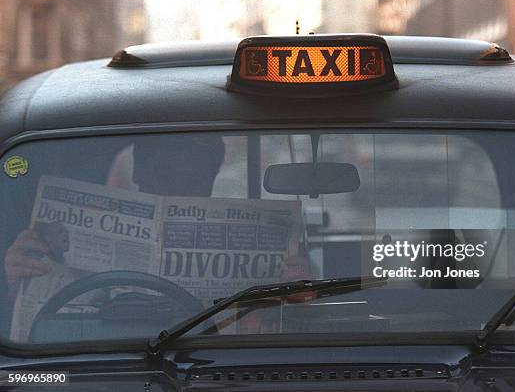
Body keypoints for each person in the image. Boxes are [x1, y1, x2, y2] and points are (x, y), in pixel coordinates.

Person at [4, 134, 312, 336]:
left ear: (212, 173)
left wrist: (301, 300)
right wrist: (17, 283)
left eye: (191, 178)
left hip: (219, 363)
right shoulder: (50, 248)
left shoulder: (270, 252)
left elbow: (301, 346)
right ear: (138, 172)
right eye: (163, 175)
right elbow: (26, 348)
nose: (176, 189)